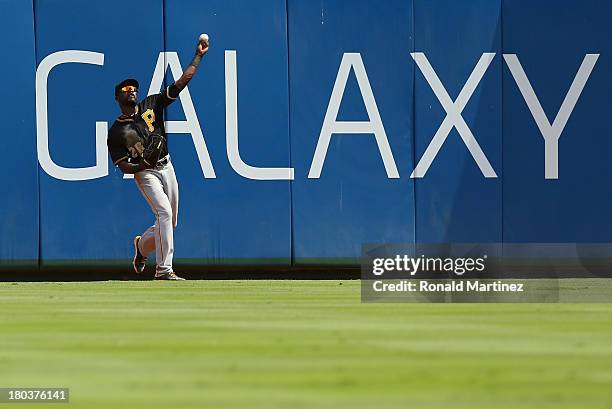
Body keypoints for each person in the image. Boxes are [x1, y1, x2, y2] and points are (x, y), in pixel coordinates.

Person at [107, 36, 209, 280]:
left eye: (134, 89)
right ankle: (164, 270)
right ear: (118, 98)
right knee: (163, 213)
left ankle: (142, 247)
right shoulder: (116, 132)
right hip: (145, 172)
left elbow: (182, 82)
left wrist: (198, 56)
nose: (131, 91)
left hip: (166, 165)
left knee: (170, 224)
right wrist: (142, 164)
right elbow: (123, 166)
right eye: (126, 89)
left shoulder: (152, 103)